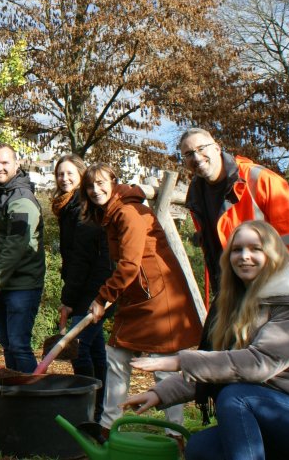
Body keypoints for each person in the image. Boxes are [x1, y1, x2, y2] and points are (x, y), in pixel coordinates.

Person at [123, 220, 289, 460]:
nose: (244, 256)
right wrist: (160, 393)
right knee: (202, 447)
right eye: (237, 249)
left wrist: (180, 360)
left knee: (238, 397)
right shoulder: (236, 304)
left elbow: (258, 363)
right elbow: (223, 367)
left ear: (272, 254)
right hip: (287, 412)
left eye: (255, 248)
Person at [79, 163, 202, 438]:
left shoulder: (128, 212)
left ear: (113, 182)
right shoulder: (111, 213)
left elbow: (130, 265)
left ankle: (176, 434)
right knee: (116, 355)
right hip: (139, 294)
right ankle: (108, 426)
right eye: (90, 186)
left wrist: (102, 298)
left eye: (101, 183)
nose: (95, 190)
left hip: (159, 296)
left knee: (163, 365)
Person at [179, 128, 289, 297]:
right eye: (188, 154)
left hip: (270, 285)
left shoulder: (262, 179)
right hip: (228, 290)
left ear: (217, 148)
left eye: (201, 148)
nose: (196, 157)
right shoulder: (195, 194)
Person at [52, 155, 113, 428]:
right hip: (86, 286)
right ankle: (101, 409)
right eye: (60, 174)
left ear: (81, 175)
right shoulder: (68, 207)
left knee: (80, 349)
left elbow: (80, 258)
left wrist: (69, 299)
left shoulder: (82, 208)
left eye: (70, 174)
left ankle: (89, 411)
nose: (64, 178)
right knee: (96, 350)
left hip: (92, 288)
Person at [0, 143, 45, 374]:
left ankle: (34, 399)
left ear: (17, 164)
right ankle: (15, 399)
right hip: (1, 286)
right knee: (8, 346)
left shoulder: (21, 199)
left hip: (22, 285)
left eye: (4, 163)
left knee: (18, 347)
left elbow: (15, 247)